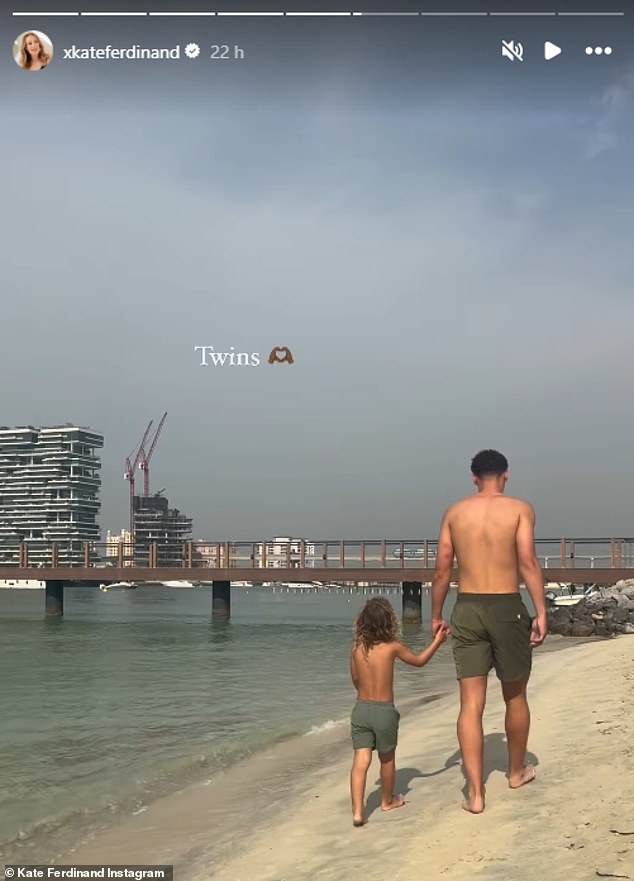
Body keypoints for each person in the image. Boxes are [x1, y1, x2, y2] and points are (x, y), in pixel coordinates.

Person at [431, 449, 547, 814]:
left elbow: (441, 569)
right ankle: (515, 772)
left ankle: (476, 793)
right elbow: (527, 560)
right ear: (506, 476)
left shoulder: (454, 513)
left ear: (474, 478)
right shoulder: (519, 509)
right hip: (506, 606)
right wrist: (541, 611)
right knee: (515, 695)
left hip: (466, 606)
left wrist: (436, 614)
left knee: (470, 704)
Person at [349, 597, 449, 827]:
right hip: (384, 711)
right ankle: (387, 801)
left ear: (362, 622)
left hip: (361, 709)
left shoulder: (356, 649)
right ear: (389, 621)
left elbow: (355, 680)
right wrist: (437, 641)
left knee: (360, 761)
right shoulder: (392, 647)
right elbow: (419, 661)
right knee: (387, 758)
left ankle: (357, 812)